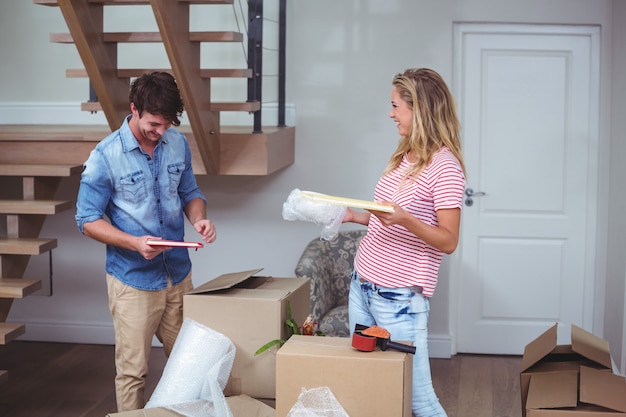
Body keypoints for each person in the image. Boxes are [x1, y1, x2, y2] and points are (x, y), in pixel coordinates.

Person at [75, 72, 217, 412]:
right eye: (154, 124)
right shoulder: (105, 156)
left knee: (193, 363)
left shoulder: (177, 143)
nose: (161, 132)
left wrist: (198, 217)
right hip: (133, 281)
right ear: (133, 108)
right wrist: (134, 242)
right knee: (133, 372)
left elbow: (191, 194)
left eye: (167, 124)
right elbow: (86, 221)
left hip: (178, 277)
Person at [343, 68, 466, 417]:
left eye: (396, 106)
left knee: (419, 399)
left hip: (398, 299)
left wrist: (408, 219)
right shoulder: (404, 155)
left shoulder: (445, 167)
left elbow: (449, 240)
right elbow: (387, 217)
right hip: (362, 285)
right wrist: (353, 216)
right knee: (372, 384)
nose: (391, 114)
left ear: (420, 110)